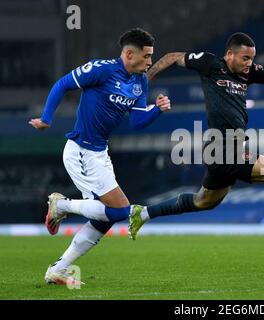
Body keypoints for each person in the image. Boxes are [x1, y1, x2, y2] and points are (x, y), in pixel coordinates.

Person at [128, 32, 264, 259]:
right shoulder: (210, 64)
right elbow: (172, 57)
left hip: (225, 150)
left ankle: (143, 213)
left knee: (204, 202)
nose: (250, 64)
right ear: (230, 54)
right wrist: (143, 82)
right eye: (245, 58)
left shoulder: (247, 74)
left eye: (252, 58)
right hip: (222, 148)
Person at [29, 28, 171, 285]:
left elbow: (137, 122)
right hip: (81, 151)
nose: (150, 62)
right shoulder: (101, 70)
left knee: (106, 219)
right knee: (120, 212)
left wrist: (157, 111)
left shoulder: (140, 81)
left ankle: (59, 268)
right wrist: (46, 119)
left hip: (100, 153)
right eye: (147, 56)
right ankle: (60, 206)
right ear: (129, 54)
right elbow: (63, 84)